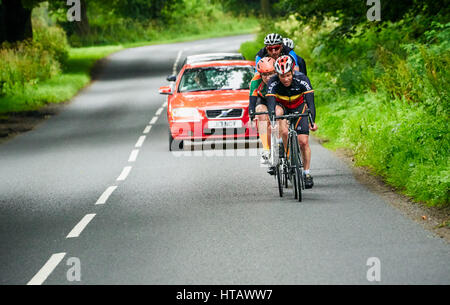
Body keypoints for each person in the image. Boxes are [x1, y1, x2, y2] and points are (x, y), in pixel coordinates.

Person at [265, 55, 317, 188]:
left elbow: (310, 103)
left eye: (288, 75)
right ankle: (284, 148)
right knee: (279, 118)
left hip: (299, 107)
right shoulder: (273, 82)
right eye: (282, 76)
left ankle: (306, 173)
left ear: (292, 72)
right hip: (282, 107)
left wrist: (312, 122)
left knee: (303, 142)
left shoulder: (302, 79)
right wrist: (273, 120)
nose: (286, 79)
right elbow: (271, 104)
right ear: (277, 74)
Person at [248, 57, 277, 165]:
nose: (268, 77)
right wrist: (251, 116)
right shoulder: (255, 81)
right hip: (263, 99)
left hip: (277, 99)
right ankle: (266, 149)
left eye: (271, 74)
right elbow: (252, 100)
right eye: (264, 75)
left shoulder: (280, 77)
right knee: (260, 113)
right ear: (260, 74)